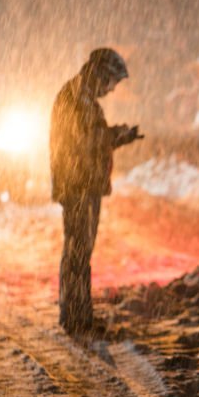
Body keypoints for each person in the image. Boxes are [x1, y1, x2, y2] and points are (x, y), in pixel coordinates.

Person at [50, 48, 142, 335]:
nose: (112, 90)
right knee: (78, 251)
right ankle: (75, 318)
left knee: (80, 252)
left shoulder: (81, 95)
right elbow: (86, 141)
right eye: (112, 81)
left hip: (81, 184)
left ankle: (79, 316)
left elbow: (89, 139)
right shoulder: (77, 97)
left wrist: (114, 137)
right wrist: (116, 135)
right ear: (101, 74)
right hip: (78, 185)